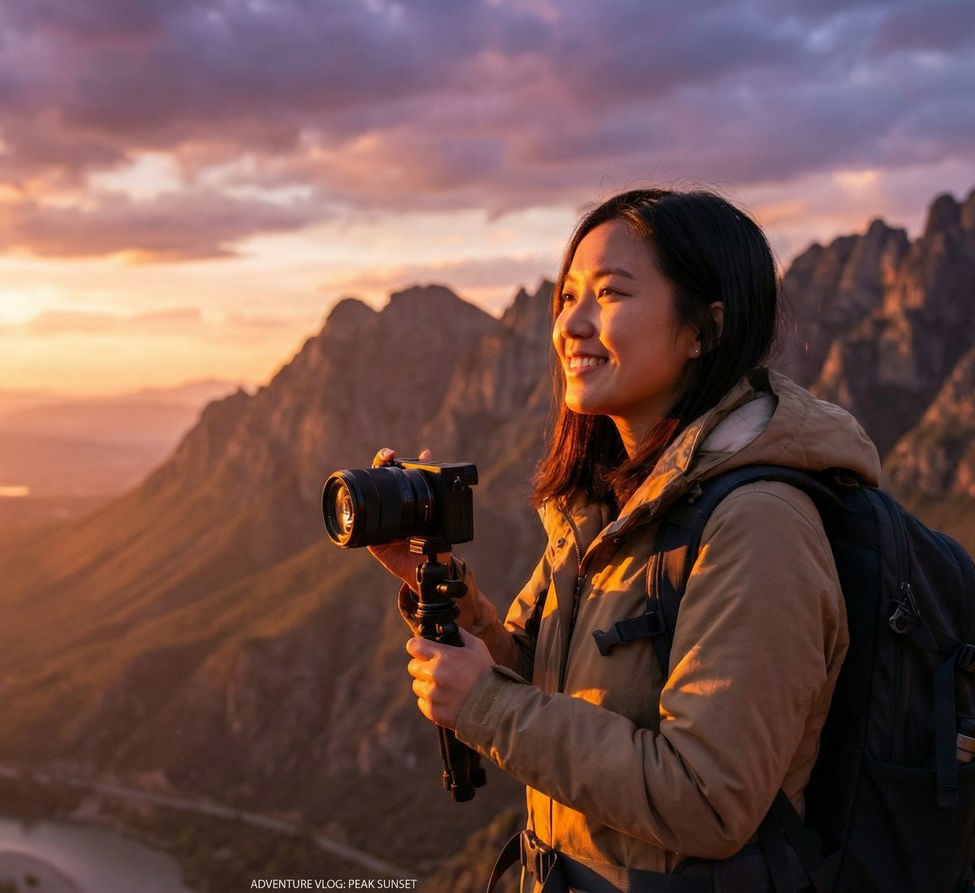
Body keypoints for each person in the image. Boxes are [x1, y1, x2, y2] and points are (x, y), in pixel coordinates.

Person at [367, 188, 881, 892]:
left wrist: (483, 703)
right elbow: (545, 683)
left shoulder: (758, 523)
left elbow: (709, 796)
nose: (569, 325)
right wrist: (459, 608)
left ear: (704, 327)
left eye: (608, 295)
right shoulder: (604, 505)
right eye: (568, 295)